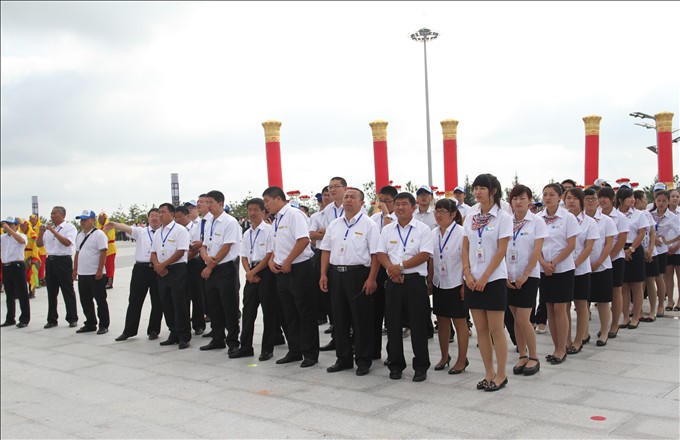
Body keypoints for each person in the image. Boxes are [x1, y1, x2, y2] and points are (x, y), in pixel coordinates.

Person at [319, 187, 380, 376]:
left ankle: (363, 360)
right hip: (336, 274)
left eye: (353, 197)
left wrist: (371, 278)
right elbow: (326, 250)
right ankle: (343, 358)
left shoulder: (369, 225)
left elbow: (376, 255)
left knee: (361, 319)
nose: (348, 200)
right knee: (339, 318)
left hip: (359, 274)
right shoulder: (334, 224)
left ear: (361, 202)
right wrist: (323, 274)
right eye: (346, 197)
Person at [461, 174, 512, 391]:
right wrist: (468, 273)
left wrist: (484, 277)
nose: (477, 192)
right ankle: (488, 373)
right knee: (481, 329)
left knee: (496, 329)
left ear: (493, 191)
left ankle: (501, 374)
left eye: (482, 188)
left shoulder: (503, 217)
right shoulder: (471, 217)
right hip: (473, 279)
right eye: (475, 188)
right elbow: (465, 246)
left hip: (493, 278)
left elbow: (502, 250)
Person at [377, 191, 433, 382]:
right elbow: (381, 253)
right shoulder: (387, 230)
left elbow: (424, 255)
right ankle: (395, 365)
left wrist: (399, 267)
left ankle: (421, 366)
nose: (400, 207)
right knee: (393, 325)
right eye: (397, 204)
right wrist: (392, 270)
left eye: (404, 204)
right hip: (393, 282)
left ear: (413, 207)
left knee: (418, 325)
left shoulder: (423, 229)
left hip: (414, 281)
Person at [263, 186, 319, 368]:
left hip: (299, 269)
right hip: (281, 272)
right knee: (288, 313)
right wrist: (272, 260)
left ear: (278, 199)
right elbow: (276, 245)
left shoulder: (294, 215)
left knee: (305, 312)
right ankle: (295, 350)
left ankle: (310, 353)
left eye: (267, 201)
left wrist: (288, 261)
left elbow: (303, 240)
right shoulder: (276, 219)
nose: (266, 205)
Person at [506, 185, 547, 376]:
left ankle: (534, 357)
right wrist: (505, 274)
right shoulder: (506, 222)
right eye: (515, 198)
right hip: (509, 276)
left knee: (524, 318)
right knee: (516, 319)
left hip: (528, 276)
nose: (518, 202)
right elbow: (500, 249)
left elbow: (537, 250)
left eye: (522, 198)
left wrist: (526, 273)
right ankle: (522, 355)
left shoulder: (537, 222)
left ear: (530, 200)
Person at [106, 208, 164, 341]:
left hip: (157, 269)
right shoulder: (141, 232)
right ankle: (129, 331)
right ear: (148, 218)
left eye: (157, 216)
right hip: (141, 269)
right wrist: (114, 224)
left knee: (157, 301)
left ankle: (154, 330)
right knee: (134, 300)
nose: (154, 218)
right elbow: (126, 228)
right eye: (152, 216)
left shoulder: (164, 232)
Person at [538, 183, 579, 366]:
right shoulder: (538, 218)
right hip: (543, 269)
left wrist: (554, 263)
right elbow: (535, 245)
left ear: (560, 197)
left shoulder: (568, 218)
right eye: (545, 194)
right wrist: (543, 263)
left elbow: (571, 245)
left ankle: (562, 348)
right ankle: (556, 347)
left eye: (552, 194)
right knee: (549, 308)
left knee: (560, 309)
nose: (547, 198)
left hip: (563, 268)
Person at [427, 198, 469, 375]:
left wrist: (465, 284)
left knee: (460, 322)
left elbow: (467, 260)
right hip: (439, 282)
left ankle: (462, 359)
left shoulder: (462, 233)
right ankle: (444, 356)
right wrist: (430, 280)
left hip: (457, 282)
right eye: (436, 211)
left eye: (442, 211)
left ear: (452, 214)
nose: (438, 215)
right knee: (442, 321)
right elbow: (431, 259)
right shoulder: (433, 233)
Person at [235, 198, 280, 361]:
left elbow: (269, 254)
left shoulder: (269, 230)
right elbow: (243, 256)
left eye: (256, 210)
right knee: (248, 312)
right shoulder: (247, 233)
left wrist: (253, 272)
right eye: (250, 210)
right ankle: (245, 347)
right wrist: (249, 273)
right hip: (251, 274)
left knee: (269, 312)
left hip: (266, 273)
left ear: (263, 212)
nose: (252, 213)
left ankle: (267, 349)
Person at [199, 190, 243, 355]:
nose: (208, 205)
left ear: (220, 203)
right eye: (207, 202)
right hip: (211, 267)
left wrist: (210, 265)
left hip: (225, 269)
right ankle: (217, 338)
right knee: (214, 305)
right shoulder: (209, 222)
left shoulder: (230, 222)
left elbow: (227, 247)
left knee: (229, 306)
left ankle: (233, 341)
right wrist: (206, 258)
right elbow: (204, 245)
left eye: (210, 202)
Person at [151, 203, 191, 349]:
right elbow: (153, 252)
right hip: (161, 271)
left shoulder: (180, 230)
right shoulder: (158, 232)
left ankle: (184, 336)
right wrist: (158, 265)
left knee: (179, 302)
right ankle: (173, 332)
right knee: (166, 302)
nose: (160, 215)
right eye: (159, 212)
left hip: (176, 269)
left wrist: (163, 264)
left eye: (163, 212)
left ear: (172, 214)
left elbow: (181, 251)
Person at [564, 188, 598, 354]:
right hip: (562, 269)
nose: (571, 201)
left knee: (581, 304)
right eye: (568, 198)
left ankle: (579, 340)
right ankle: (566, 340)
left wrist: (575, 264)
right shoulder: (561, 220)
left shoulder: (589, 222)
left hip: (580, 269)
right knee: (564, 306)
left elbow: (588, 247)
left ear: (581, 201)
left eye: (575, 198)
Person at [36, 206, 79, 328]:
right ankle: (52, 319)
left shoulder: (69, 227)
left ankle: (72, 318)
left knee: (67, 290)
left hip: (63, 261)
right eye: (51, 213)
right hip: (50, 261)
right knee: (51, 291)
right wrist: (41, 233)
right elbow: (39, 244)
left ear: (62, 215)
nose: (52, 216)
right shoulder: (49, 229)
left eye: (54, 213)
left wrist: (54, 232)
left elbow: (67, 243)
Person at [584, 186, 616, 346]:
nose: (590, 202)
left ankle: (604, 332)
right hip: (582, 267)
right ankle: (584, 333)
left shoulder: (606, 220)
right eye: (587, 199)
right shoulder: (577, 220)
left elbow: (609, 244)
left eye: (593, 199)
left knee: (603, 301)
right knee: (583, 302)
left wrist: (597, 263)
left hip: (602, 266)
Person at [370, 184, 398, 360]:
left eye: (387, 201)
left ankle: (392, 354)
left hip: (393, 268)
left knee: (392, 315)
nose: (383, 204)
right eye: (381, 200)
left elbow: (388, 239)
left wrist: (387, 214)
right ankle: (373, 350)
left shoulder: (398, 218)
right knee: (374, 311)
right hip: (376, 267)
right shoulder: (373, 219)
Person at [597, 186, 629, 339]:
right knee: (601, 294)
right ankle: (604, 324)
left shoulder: (620, 217)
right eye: (600, 197)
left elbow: (621, 239)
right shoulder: (595, 215)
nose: (602, 200)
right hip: (598, 260)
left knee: (616, 290)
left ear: (613, 199)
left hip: (615, 258)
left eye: (605, 197)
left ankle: (615, 324)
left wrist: (609, 256)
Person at [73, 210, 110, 335]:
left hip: (95, 274)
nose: (82, 222)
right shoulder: (80, 235)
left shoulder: (99, 234)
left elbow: (103, 252)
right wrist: (75, 270)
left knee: (100, 300)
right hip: (83, 273)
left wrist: (99, 270)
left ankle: (104, 325)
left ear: (92, 220)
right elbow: (77, 253)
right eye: (81, 220)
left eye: (85, 219)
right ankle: (90, 323)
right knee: (85, 300)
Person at [616, 187, 648, 330]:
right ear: (621, 200)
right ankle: (625, 317)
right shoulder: (615, 214)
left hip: (635, 249)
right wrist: (622, 251)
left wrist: (631, 250)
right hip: (619, 249)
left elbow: (641, 233)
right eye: (629, 197)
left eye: (633, 197)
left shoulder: (639, 215)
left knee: (637, 285)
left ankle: (636, 317)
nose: (632, 200)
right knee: (623, 286)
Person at [174, 205, 205, 335]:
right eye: (175, 217)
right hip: (180, 265)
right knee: (182, 294)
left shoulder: (196, 228)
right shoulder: (176, 230)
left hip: (193, 263)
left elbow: (196, 248)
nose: (177, 220)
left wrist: (184, 258)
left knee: (197, 294)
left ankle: (198, 324)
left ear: (187, 216)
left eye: (180, 217)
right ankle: (183, 324)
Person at [635, 190, 660, 322]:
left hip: (651, 253)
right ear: (637, 200)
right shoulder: (633, 215)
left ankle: (652, 311)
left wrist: (650, 250)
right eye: (644, 199)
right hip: (638, 252)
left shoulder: (646, 214)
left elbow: (652, 232)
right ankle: (638, 311)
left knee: (650, 282)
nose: (646, 201)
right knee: (639, 284)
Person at [651, 191, 678, 317]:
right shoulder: (649, 214)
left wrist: (668, 242)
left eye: (664, 201)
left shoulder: (672, 217)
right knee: (649, 280)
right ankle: (651, 307)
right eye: (658, 200)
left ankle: (661, 305)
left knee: (660, 278)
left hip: (661, 251)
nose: (661, 203)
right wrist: (653, 238)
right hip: (650, 250)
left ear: (668, 202)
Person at [1, 217, 30, 328]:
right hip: (6, 266)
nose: (8, 226)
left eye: (10, 224)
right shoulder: (3, 237)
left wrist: (9, 229)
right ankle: (10, 318)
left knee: (22, 293)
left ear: (16, 225)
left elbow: (22, 241)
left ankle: (24, 319)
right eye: (6, 224)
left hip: (17, 265)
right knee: (9, 294)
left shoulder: (21, 235)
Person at [664, 189, 680, 311]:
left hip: (678, 249)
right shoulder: (663, 214)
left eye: (677, 196)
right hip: (665, 249)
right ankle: (670, 300)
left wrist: (676, 246)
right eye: (672, 196)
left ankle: (679, 301)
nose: (675, 198)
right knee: (668, 275)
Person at [19, 219, 40, 298]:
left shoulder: (32, 235)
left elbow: (35, 247)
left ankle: (32, 292)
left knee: (31, 275)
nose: (21, 227)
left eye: (23, 226)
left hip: (30, 256)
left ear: (27, 226)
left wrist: (34, 258)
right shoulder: (19, 235)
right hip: (21, 256)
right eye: (20, 226)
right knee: (21, 275)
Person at [96, 212, 116, 289]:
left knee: (109, 266)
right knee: (102, 265)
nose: (100, 220)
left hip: (110, 248)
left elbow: (109, 237)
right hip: (101, 249)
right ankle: (104, 281)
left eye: (101, 218)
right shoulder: (98, 228)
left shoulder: (109, 226)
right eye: (99, 218)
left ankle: (110, 282)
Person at [29, 214, 47, 287]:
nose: (32, 220)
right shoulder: (29, 227)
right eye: (31, 219)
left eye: (33, 219)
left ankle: (41, 279)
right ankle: (34, 280)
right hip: (33, 250)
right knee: (33, 266)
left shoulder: (40, 226)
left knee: (41, 266)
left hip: (41, 250)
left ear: (37, 219)